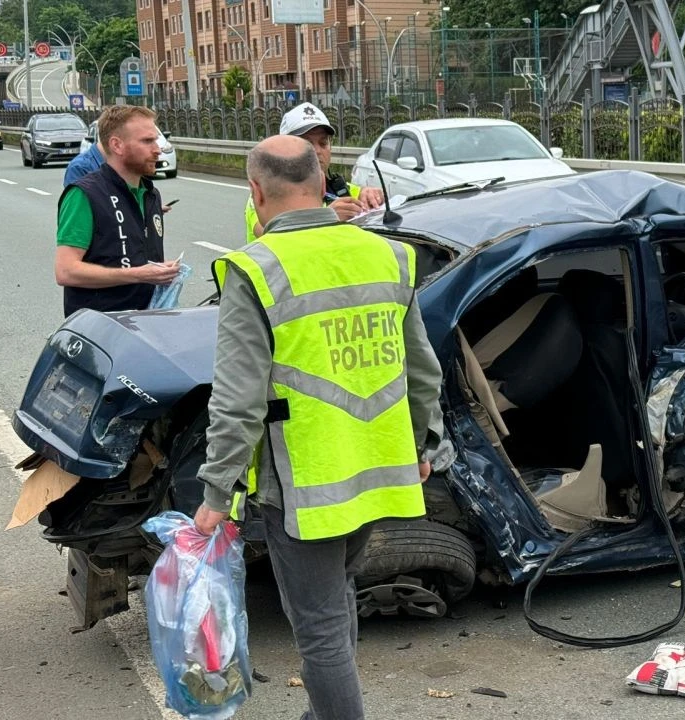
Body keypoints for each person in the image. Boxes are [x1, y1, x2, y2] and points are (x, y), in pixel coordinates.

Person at [195, 135, 442, 720]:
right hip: (378, 469)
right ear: (321, 181)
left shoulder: (255, 269)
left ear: (256, 192)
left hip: (304, 482)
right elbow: (421, 368)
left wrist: (216, 491)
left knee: (321, 630)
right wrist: (422, 444)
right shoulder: (388, 254)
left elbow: (238, 399)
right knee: (337, 599)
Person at [54, 105, 179, 316]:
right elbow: (66, 271)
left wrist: (160, 273)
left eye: (156, 140)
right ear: (117, 145)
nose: (157, 149)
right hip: (100, 326)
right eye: (147, 141)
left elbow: (137, 259)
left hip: (147, 323)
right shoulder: (84, 194)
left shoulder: (150, 194)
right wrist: (138, 274)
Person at [244, 102, 385, 242]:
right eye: (308, 144)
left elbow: (360, 195)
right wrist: (326, 217)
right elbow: (269, 234)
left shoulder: (339, 189)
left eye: (323, 143)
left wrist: (370, 195)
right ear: (284, 148)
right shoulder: (265, 194)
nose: (317, 151)